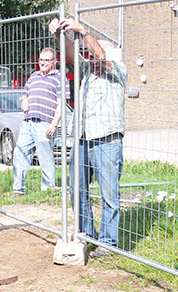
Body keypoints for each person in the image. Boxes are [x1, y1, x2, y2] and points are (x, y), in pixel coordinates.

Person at [50, 18, 127, 258]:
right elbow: (71, 54)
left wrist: (82, 30)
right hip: (83, 139)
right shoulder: (86, 73)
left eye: (93, 53)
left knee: (109, 195)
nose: (90, 58)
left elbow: (101, 57)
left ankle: (107, 243)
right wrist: (59, 34)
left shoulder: (117, 71)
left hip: (107, 140)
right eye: (89, 55)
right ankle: (86, 235)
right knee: (76, 189)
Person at [13, 47, 67, 196]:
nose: (42, 63)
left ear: (54, 61)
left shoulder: (60, 79)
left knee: (45, 157)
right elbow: (25, 93)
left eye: (47, 60)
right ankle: (18, 189)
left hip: (45, 123)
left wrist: (54, 124)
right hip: (28, 122)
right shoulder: (34, 76)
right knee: (20, 153)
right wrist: (25, 100)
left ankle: (48, 191)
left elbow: (61, 104)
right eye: (41, 60)